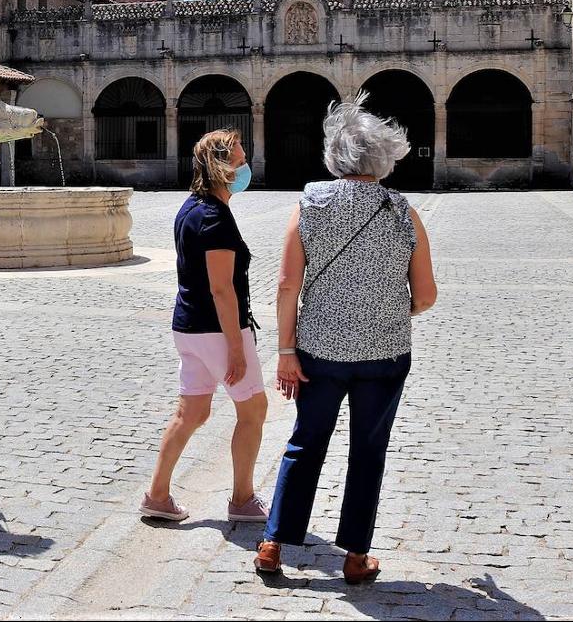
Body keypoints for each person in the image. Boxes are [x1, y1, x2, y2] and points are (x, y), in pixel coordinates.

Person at [254, 94, 437, 582]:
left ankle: (273, 543)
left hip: (318, 353)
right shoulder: (404, 214)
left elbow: (287, 285)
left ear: (335, 156)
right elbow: (426, 294)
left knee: (305, 442)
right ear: (386, 157)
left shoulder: (309, 204)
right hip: (385, 353)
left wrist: (286, 352)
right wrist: (402, 309)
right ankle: (356, 556)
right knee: (368, 450)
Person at [140, 129, 269, 523]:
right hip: (217, 330)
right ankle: (243, 499)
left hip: (188, 327)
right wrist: (236, 347)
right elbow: (221, 288)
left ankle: (157, 495)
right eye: (242, 159)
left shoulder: (190, 208)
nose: (247, 165)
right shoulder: (215, 217)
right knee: (254, 410)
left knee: (192, 412)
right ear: (224, 167)